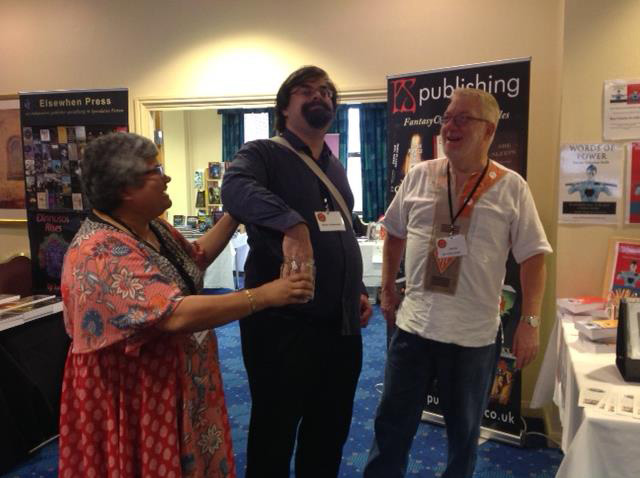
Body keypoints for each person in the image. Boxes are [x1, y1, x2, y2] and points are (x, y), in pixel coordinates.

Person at [58, 132, 313, 478]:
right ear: (125, 188)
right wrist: (266, 295)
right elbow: (174, 314)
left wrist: (237, 210)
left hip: (168, 384)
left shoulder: (150, 228)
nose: (167, 177)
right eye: (155, 170)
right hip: (134, 397)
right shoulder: (100, 251)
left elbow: (196, 258)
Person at [363, 88, 552, 478]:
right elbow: (394, 231)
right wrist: (387, 289)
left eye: (462, 118)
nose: (450, 125)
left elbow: (533, 256)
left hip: (473, 339)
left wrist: (530, 322)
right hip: (413, 328)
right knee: (391, 428)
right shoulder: (420, 175)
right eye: (447, 117)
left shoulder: (512, 187)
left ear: (489, 131)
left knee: (462, 439)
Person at [220, 65, 372, 477]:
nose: (319, 96)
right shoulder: (262, 153)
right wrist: (292, 222)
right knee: (276, 431)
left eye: (326, 92)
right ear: (285, 108)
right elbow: (233, 188)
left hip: (340, 329)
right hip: (283, 328)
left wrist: (355, 287)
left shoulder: (334, 165)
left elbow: (340, 233)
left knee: (329, 430)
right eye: (306, 90)